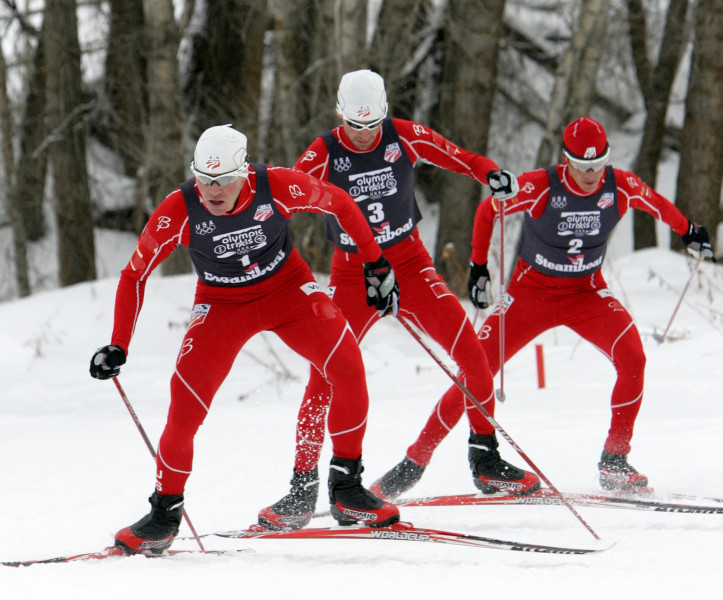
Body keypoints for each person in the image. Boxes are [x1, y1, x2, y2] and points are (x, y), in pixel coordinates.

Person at [89, 124, 402, 555]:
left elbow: (341, 203)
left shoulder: (277, 185)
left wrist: (377, 264)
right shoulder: (178, 209)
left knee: (347, 367)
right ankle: (164, 514)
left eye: (222, 181)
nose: (212, 191)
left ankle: (346, 485)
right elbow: (134, 274)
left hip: (288, 291)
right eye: (203, 179)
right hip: (221, 305)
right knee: (183, 404)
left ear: (244, 174)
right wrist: (118, 343)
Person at [373, 116, 716, 498]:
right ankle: (414, 462)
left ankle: (615, 461)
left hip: (586, 293)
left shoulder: (621, 186)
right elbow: (489, 210)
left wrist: (689, 231)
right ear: (565, 159)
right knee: (475, 370)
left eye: (598, 165)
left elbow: (656, 205)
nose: (590, 175)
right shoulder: (540, 185)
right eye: (582, 166)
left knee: (633, 357)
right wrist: (478, 266)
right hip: (529, 295)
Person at [257, 69, 540, 530]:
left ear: (385, 114)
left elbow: (459, 157)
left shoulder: (403, 136)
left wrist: (494, 174)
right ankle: (303, 487)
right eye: (355, 126)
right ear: (339, 115)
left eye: (372, 126)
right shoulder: (323, 151)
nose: (365, 136)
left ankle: (486, 460)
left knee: (473, 353)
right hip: (353, 273)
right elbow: (283, 194)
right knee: (324, 377)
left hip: (409, 261)